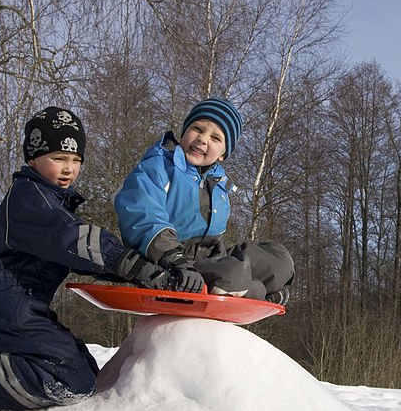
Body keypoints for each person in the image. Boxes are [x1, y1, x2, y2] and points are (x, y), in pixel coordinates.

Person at [0, 106, 183, 411]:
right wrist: (131, 264)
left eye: (76, 160)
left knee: (85, 367)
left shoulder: (48, 200)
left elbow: (82, 254)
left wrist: (138, 272)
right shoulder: (29, 200)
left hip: (27, 312)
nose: (69, 168)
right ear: (33, 159)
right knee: (74, 381)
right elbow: (73, 238)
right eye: (58, 158)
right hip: (10, 313)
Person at [114, 97, 294, 302]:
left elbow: (215, 242)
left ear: (222, 155)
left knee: (278, 258)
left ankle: (254, 287)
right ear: (183, 133)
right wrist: (174, 258)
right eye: (198, 129)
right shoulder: (159, 166)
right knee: (233, 275)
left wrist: (225, 257)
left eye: (215, 138)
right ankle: (262, 295)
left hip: (206, 261)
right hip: (166, 261)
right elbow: (142, 213)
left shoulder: (219, 185)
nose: (203, 139)